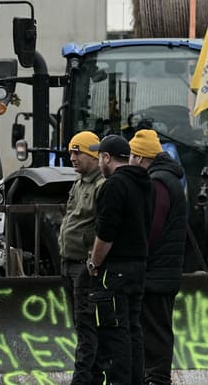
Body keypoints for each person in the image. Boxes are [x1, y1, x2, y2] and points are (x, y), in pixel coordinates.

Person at [87, 134, 152, 385]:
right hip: (138, 266)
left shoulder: (114, 186)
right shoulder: (144, 183)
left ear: (106, 158)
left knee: (114, 333)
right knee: (133, 330)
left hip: (114, 271)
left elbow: (106, 232)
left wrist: (94, 262)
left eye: (99, 157)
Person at [128, 129, 186, 385]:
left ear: (141, 158)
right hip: (160, 270)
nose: (128, 160)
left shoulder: (159, 182)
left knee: (156, 331)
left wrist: (135, 251)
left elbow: (153, 226)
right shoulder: (166, 178)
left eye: (131, 155)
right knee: (154, 328)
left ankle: (159, 378)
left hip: (156, 273)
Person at [58, 131, 105, 385]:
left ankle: (84, 379)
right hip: (69, 262)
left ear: (93, 154)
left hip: (84, 267)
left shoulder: (100, 185)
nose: (73, 158)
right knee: (80, 324)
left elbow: (103, 227)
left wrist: (92, 260)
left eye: (78, 152)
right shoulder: (79, 183)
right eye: (71, 153)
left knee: (87, 326)